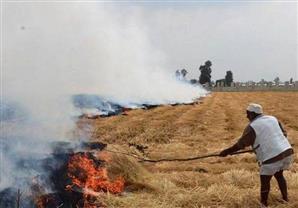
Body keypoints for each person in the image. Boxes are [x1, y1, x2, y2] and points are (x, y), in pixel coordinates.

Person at [219, 103, 294, 207]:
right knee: (279, 175)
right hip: (287, 152)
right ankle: (285, 199)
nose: (247, 116)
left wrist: (226, 151)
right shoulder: (272, 118)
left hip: (272, 156)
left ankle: (263, 204)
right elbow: (284, 134)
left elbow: (241, 144)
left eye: (248, 114)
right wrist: (260, 145)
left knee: (265, 181)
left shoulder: (253, 126)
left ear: (253, 114)